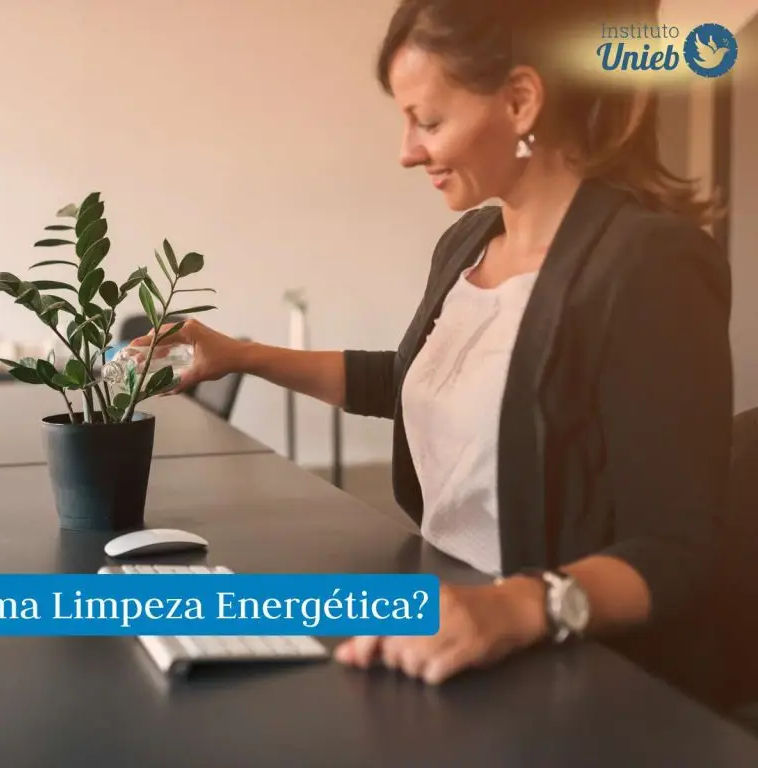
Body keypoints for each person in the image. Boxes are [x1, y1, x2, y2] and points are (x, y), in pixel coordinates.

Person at [133, 0, 733, 702]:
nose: (407, 150)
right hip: (444, 613)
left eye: (429, 119)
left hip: (563, 667)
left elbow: (678, 551)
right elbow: (415, 380)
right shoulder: (469, 242)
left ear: (519, 101)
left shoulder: (647, 266)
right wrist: (239, 354)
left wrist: (515, 607)